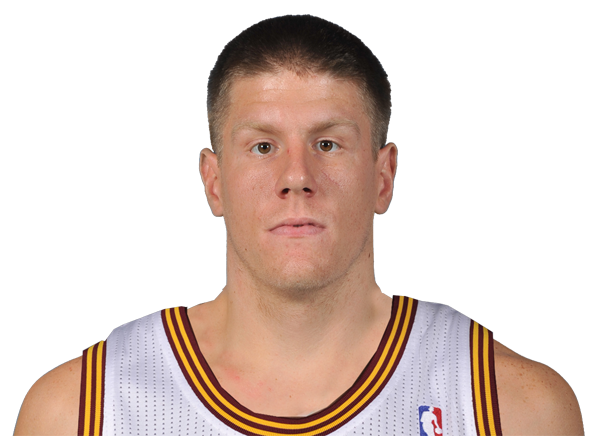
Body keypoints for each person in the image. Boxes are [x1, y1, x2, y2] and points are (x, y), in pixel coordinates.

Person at [15, 15, 582, 436]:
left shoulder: (510, 409)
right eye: (263, 146)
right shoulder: (83, 411)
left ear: (382, 177)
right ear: (214, 182)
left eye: (328, 144)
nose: (296, 177)